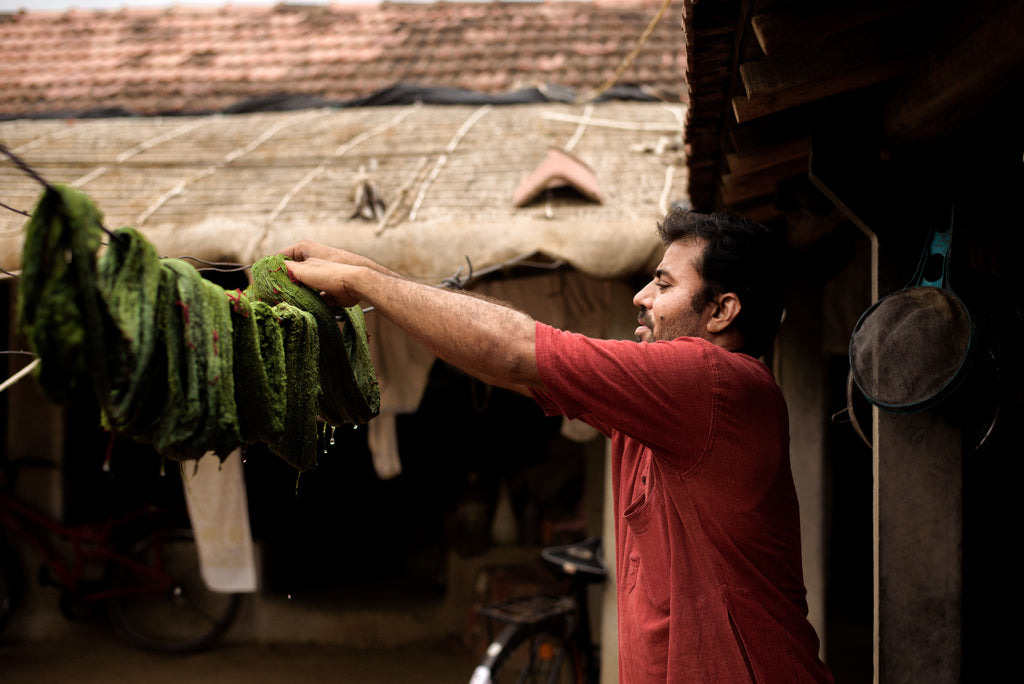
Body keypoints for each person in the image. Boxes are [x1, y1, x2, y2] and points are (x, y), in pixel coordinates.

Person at [281, 208, 834, 683]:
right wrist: (358, 267)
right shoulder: (657, 408)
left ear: (721, 311)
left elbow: (518, 350)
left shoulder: (714, 382)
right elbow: (504, 363)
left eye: (664, 285)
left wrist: (360, 284)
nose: (641, 297)